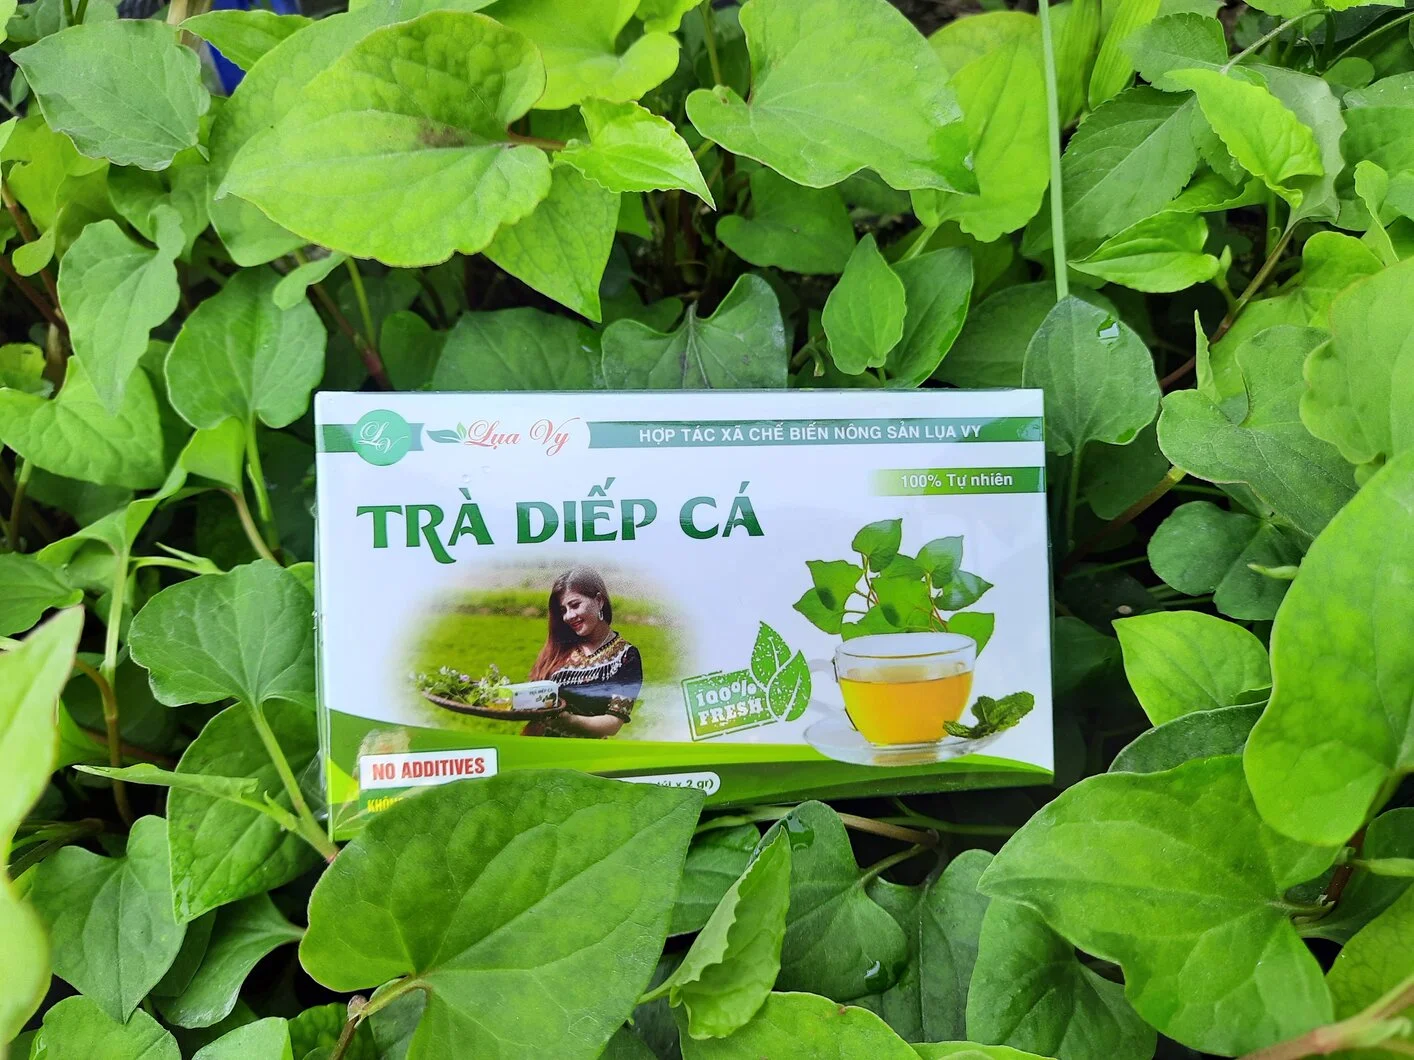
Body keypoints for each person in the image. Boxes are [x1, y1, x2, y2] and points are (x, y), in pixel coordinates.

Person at [522, 567, 643, 738]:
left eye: (575, 605)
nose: (568, 616)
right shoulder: (560, 647)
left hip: (584, 750)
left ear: (599, 601)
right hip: (538, 745)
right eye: (563, 610)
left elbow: (613, 723)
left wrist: (568, 720)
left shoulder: (625, 657)